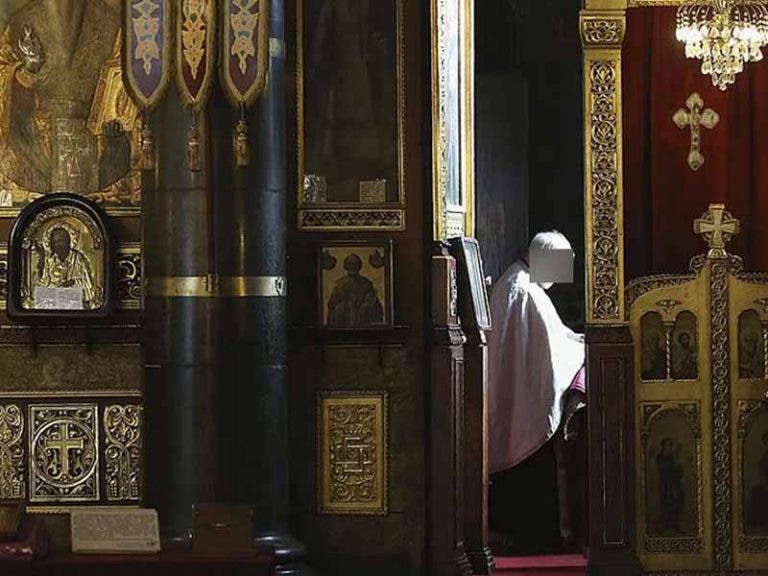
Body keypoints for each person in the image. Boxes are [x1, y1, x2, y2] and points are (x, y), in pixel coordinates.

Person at [487, 231, 586, 550]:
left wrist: (572, 341)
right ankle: (535, 536)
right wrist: (581, 348)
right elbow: (549, 353)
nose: (561, 275)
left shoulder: (522, 281)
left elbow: (550, 337)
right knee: (530, 470)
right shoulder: (523, 289)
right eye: (559, 264)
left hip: (520, 394)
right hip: (523, 398)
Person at [36, 225, 96, 308]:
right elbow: (44, 283)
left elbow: (87, 283)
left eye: (60, 241)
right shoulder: (50, 260)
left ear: (68, 241)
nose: (57, 245)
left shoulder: (78, 258)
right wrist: (41, 262)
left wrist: (73, 282)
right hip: (53, 299)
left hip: (74, 298)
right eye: (54, 242)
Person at [326, 253, 384, 328]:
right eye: (349, 264)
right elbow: (332, 303)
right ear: (346, 266)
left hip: (362, 321)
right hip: (343, 321)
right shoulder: (340, 284)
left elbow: (372, 301)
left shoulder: (366, 283)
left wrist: (366, 306)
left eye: (354, 264)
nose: (352, 266)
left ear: (359, 266)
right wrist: (339, 307)